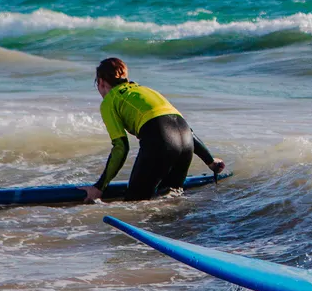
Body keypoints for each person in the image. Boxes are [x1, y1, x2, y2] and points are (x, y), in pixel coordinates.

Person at [80, 58, 226, 202]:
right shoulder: (145, 90)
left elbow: (121, 147)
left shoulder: (110, 100)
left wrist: (99, 187)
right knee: (171, 201)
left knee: (135, 204)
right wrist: (210, 161)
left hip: (160, 141)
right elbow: (183, 129)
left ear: (101, 82)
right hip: (186, 141)